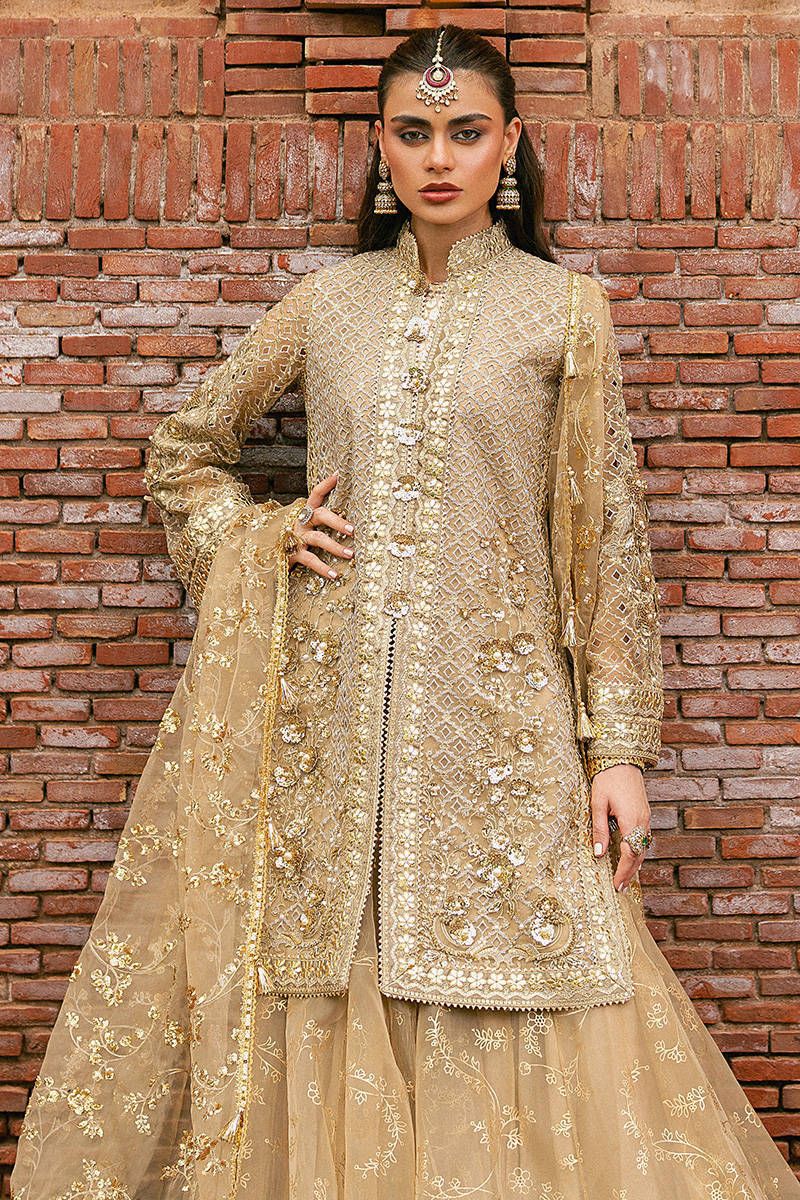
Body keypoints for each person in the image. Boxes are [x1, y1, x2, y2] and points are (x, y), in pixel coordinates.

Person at [10, 22, 799, 1200]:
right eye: (413, 132)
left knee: (539, 975)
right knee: (334, 971)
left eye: (465, 133)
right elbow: (184, 451)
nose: (439, 158)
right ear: (380, 145)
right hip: (331, 729)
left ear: (508, 144)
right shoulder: (328, 305)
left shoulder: (561, 313)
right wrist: (264, 534)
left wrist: (619, 751)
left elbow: (602, 543)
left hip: (500, 727)